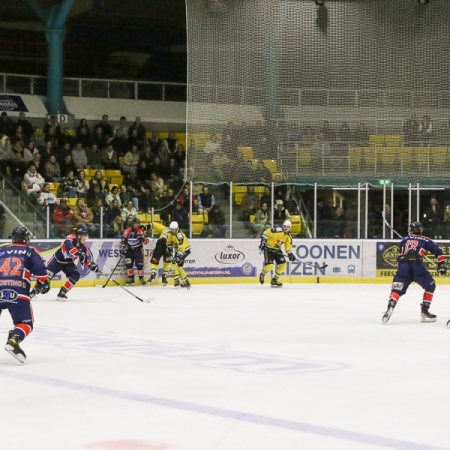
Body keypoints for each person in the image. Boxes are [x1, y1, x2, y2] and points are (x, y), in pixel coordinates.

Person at [1, 227, 50, 362]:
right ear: (26, 239)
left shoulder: (2, 250)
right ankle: (14, 339)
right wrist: (43, 283)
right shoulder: (30, 250)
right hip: (18, 292)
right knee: (25, 323)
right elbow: (40, 271)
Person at [382, 221, 446, 324]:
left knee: (396, 290)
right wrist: (441, 265)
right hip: (417, 267)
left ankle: (391, 304)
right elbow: (439, 253)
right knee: (430, 286)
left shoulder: (404, 239)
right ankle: (425, 311)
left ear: (411, 230)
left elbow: (400, 255)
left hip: (403, 267)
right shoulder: (426, 240)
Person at [33, 228, 100, 301]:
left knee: (75, 275)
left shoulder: (84, 247)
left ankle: (62, 292)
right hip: (56, 261)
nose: (86, 238)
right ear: (79, 236)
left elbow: (85, 261)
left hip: (68, 263)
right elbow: (69, 247)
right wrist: (78, 253)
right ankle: (33, 292)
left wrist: (90, 265)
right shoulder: (71, 237)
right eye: (84, 236)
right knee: (45, 280)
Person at [259, 220, 296, 288]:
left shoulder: (288, 236)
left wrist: (290, 254)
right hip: (269, 249)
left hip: (277, 250)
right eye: (285, 226)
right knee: (270, 266)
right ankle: (262, 273)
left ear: (290, 228)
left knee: (283, 264)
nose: (286, 228)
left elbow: (288, 246)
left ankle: (274, 280)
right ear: (282, 226)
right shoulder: (277, 230)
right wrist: (263, 242)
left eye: (288, 227)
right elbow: (266, 233)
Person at [120, 218, 149, 286]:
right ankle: (131, 278)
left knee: (139, 265)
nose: (137, 225)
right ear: (132, 224)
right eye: (135, 224)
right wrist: (122, 247)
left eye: (138, 224)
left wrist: (143, 238)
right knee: (128, 265)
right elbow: (124, 240)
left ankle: (141, 278)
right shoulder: (127, 231)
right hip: (129, 250)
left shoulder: (141, 231)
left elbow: (146, 242)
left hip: (138, 250)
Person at [166, 221, 192, 288]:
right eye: (171, 229)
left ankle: (186, 282)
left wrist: (178, 256)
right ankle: (177, 280)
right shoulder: (170, 233)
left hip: (185, 250)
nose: (172, 230)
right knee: (173, 263)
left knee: (179, 265)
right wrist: (169, 251)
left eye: (174, 229)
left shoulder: (179, 235)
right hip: (178, 250)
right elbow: (169, 242)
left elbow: (182, 247)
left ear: (177, 229)